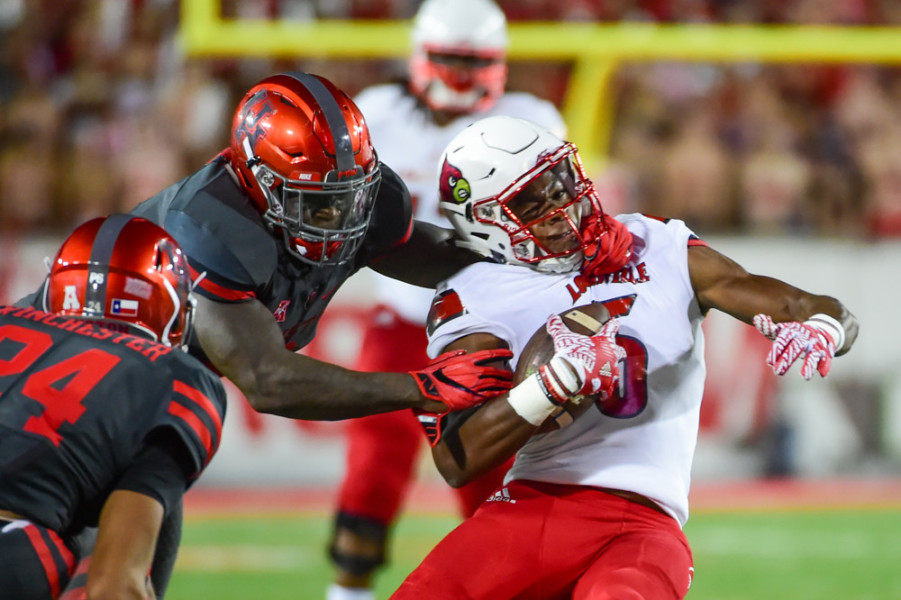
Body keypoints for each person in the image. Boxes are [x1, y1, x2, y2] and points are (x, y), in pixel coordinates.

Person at [20, 71, 514, 598]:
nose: (337, 218)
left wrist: (534, 258)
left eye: (350, 196)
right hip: (69, 397)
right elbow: (269, 380)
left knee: (141, 537)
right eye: (314, 202)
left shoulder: (355, 197)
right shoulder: (212, 227)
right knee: (98, 563)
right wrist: (422, 387)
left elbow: (436, 259)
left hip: (134, 397)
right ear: (256, 180)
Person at [389, 115, 859, 600]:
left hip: (645, 522)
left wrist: (824, 327)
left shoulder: (656, 245)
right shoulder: (477, 293)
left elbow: (811, 307)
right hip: (534, 505)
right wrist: (551, 385)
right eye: (532, 203)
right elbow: (455, 458)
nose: (562, 208)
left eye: (559, 183)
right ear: (486, 222)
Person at [326, 1, 568, 598]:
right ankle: (348, 590)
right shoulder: (377, 114)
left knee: (486, 475)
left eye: (473, 60)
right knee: (372, 467)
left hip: (487, 325)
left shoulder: (529, 118)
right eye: (450, 58)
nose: (460, 73)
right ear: (420, 57)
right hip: (404, 318)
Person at [0, 215, 228, 599]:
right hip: (14, 545)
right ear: (172, 309)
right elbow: (114, 586)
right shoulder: (175, 376)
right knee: (76, 550)